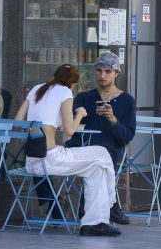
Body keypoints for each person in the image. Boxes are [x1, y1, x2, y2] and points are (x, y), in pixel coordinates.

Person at [15, 63, 121, 236]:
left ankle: (95, 222)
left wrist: (41, 128)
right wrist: (80, 113)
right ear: (72, 84)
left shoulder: (36, 89)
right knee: (102, 153)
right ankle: (111, 204)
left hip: (32, 162)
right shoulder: (64, 92)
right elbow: (70, 131)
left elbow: (18, 121)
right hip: (51, 159)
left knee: (96, 168)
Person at [65, 52, 136, 225]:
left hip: (109, 151)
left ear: (116, 74)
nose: (102, 75)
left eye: (108, 71)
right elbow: (70, 129)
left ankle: (88, 209)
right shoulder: (84, 98)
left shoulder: (126, 100)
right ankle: (110, 206)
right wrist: (81, 119)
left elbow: (126, 137)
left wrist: (112, 120)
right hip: (81, 149)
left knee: (102, 157)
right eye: (99, 70)